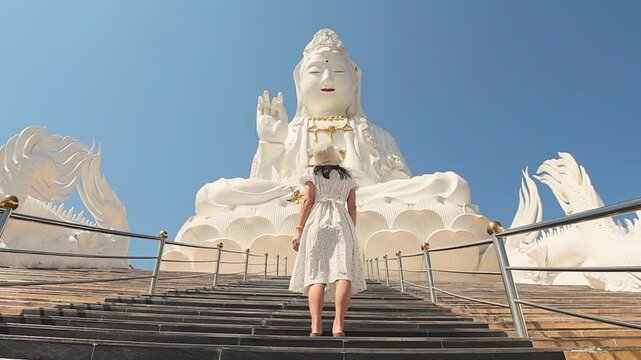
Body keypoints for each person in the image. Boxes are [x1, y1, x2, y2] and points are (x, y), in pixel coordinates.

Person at [289, 142, 367, 337]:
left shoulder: (313, 174)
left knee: (317, 274)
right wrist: (351, 229)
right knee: (343, 272)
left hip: (317, 223)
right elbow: (353, 207)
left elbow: (307, 200)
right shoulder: (348, 176)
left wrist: (298, 229)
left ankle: (316, 325)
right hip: (342, 222)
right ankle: (338, 324)